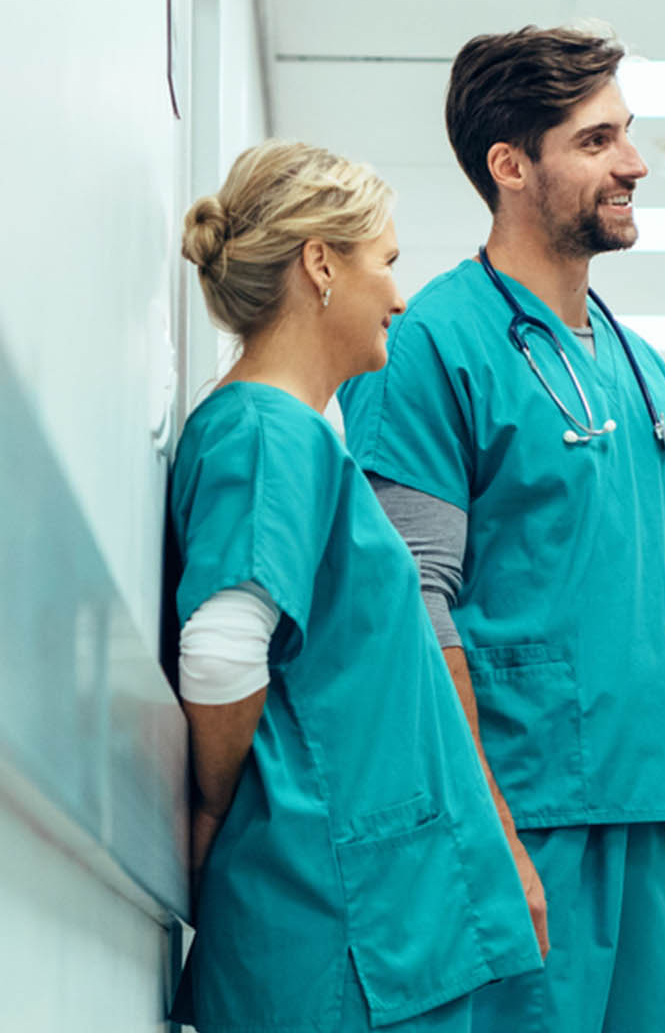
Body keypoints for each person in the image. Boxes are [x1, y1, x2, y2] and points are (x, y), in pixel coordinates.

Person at [338, 24, 665, 1032]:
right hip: (524, 821)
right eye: (597, 139)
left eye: (628, 133)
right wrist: (484, 832)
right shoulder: (432, 342)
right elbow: (416, 605)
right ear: (510, 165)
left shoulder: (646, 371)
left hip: (649, 820)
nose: (633, 162)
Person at [168, 141, 541, 1033]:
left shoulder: (297, 434)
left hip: (361, 914)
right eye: (388, 262)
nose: (401, 297)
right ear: (320, 264)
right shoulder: (265, 430)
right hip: (329, 918)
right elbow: (220, 652)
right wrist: (215, 812)